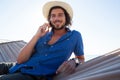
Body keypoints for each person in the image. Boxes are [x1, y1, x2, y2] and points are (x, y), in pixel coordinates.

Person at [0, 1, 85, 80]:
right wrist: (36, 36)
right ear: (50, 19)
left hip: (33, 75)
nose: (56, 18)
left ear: (66, 18)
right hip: (16, 66)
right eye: (53, 16)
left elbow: (81, 58)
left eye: (60, 15)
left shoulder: (75, 36)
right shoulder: (43, 34)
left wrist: (74, 61)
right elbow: (20, 60)